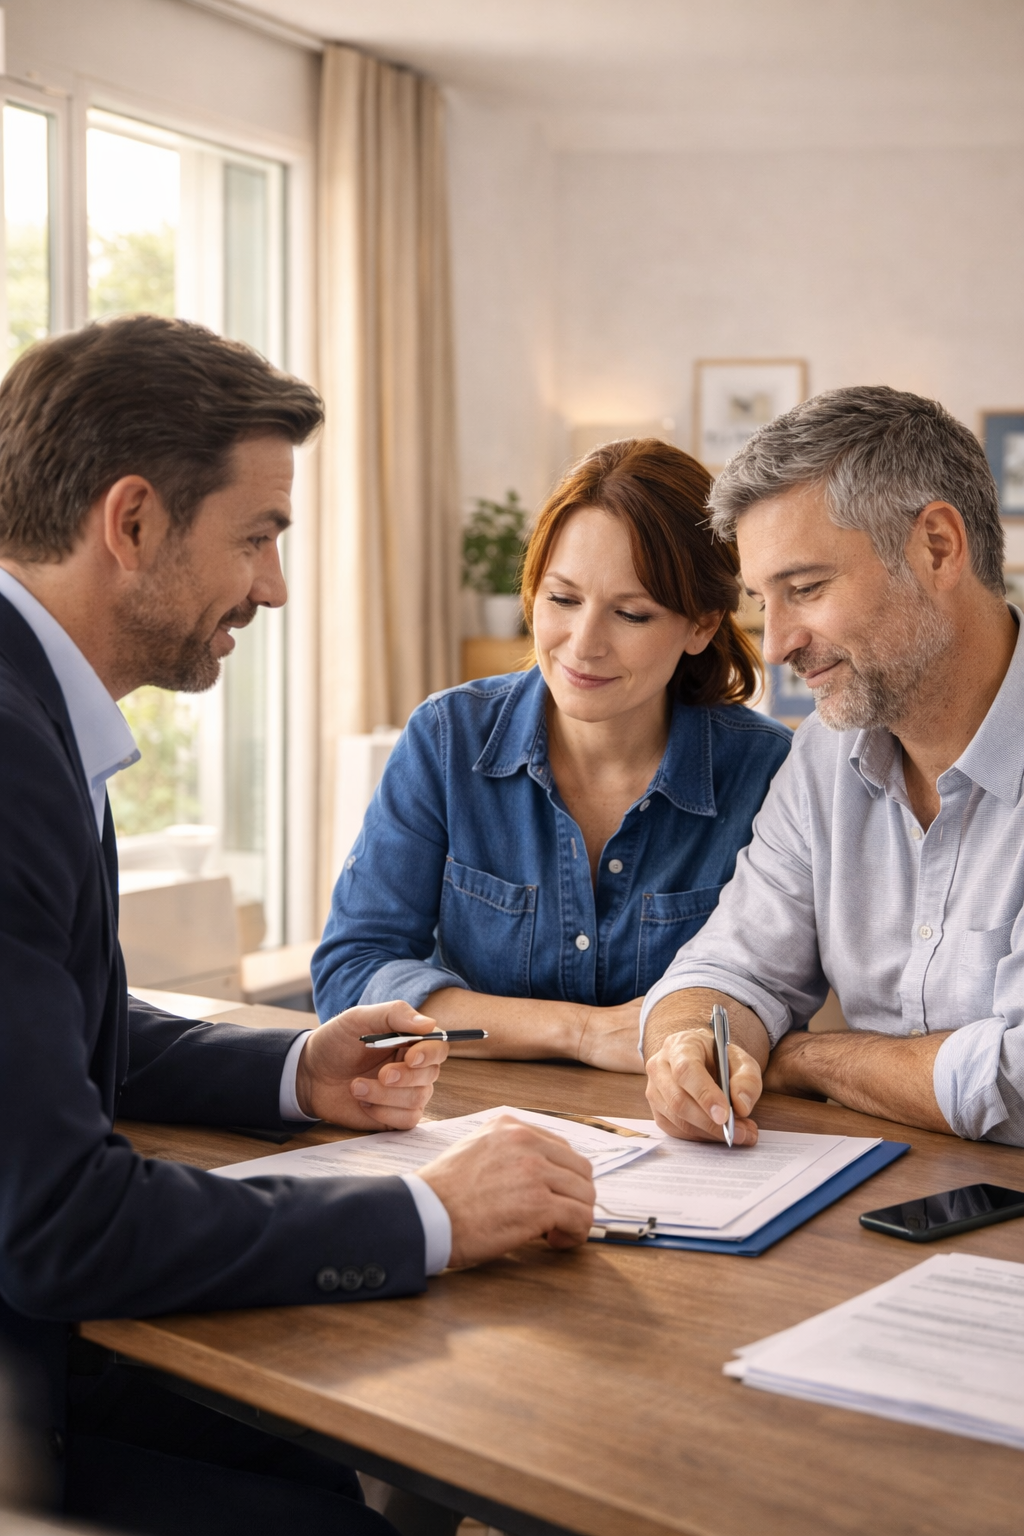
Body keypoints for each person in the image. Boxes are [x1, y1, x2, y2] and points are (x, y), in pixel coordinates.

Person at [0, 316, 596, 1536]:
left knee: (333, 1464)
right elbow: (61, 1227)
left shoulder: (34, 709)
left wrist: (292, 1069)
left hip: (47, 1349)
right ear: (131, 522)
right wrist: (431, 1213)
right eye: (258, 536)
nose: (273, 585)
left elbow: (62, 1028)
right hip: (22, 1403)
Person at [313, 439, 792, 1069]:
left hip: (682, 1122)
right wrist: (581, 1032)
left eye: (631, 614)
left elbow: (776, 1000)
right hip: (472, 1115)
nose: (583, 644)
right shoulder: (448, 738)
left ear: (701, 625)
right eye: (562, 600)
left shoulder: (769, 773)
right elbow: (351, 976)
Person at [642, 384, 1024, 1151]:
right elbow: (728, 969)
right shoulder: (823, 754)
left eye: (806, 589)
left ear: (938, 547)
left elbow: (1014, 1082)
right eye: (763, 601)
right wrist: (691, 1046)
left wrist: (807, 1058)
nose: (777, 644)